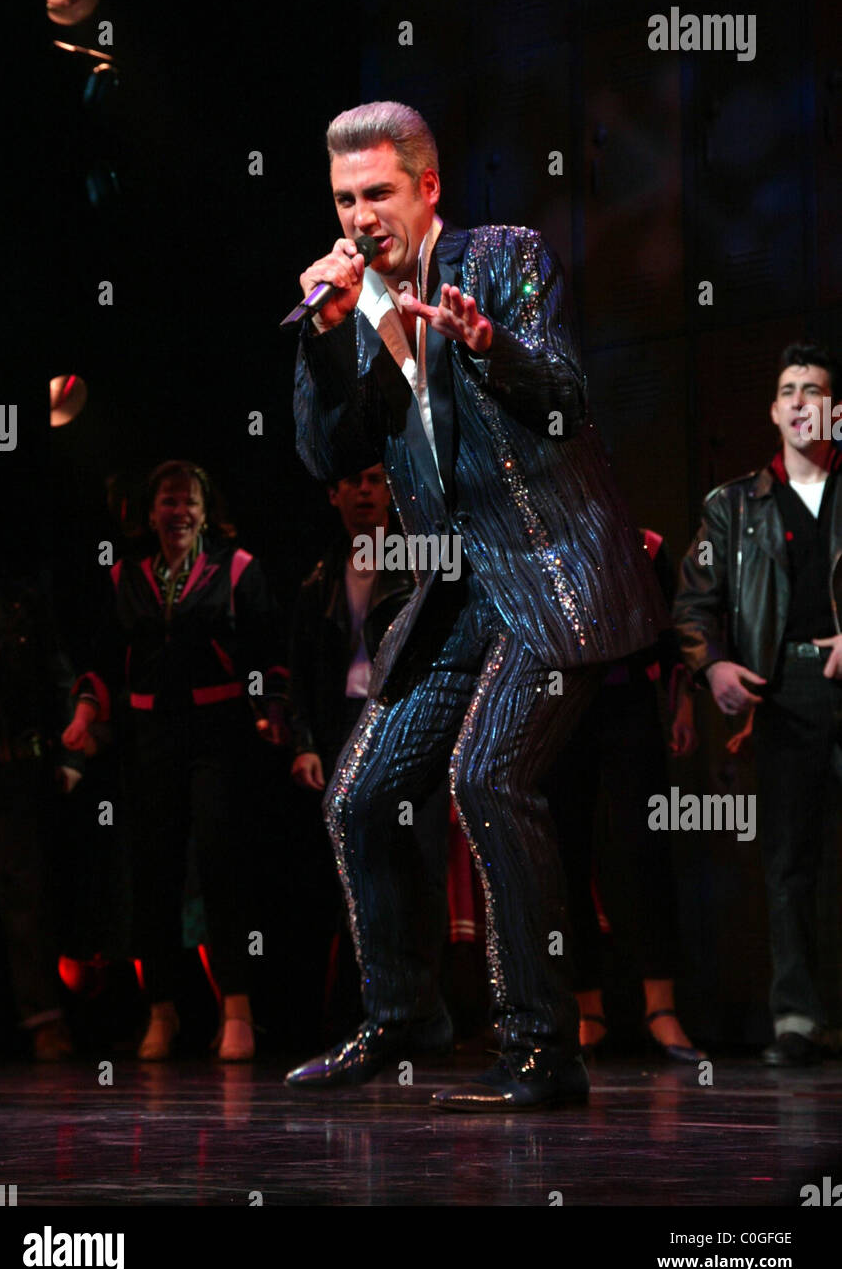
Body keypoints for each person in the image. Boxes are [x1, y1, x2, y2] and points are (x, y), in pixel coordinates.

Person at [288, 100, 666, 1110]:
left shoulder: (501, 256)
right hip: (460, 594)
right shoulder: (360, 314)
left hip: (554, 575)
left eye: (377, 193)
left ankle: (544, 1045)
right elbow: (329, 455)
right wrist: (327, 335)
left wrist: (487, 344)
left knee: (486, 777)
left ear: (426, 188)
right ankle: (401, 1013)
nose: (361, 216)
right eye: (342, 199)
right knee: (359, 798)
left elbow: (563, 402)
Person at [63, 460, 288, 1062]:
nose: (178, 512)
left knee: (219, 863)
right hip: (149, 737)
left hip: (218, 736)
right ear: (151, 512)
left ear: (205, 511)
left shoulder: (236, 569)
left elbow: (267, 651)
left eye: (188, 501)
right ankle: (161, 1011)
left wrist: (271, 710)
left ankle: (235, 1012)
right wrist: (86, 715)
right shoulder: (124, 577)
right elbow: (105, 662)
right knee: (153, 873)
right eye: (167, 501)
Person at [673, 344, 842, 1066]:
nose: (800, 400)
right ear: (773, 411)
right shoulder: (733, 506)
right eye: (787, 390)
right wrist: (710, 666)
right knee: (787, 862)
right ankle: (797, 1020)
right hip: (786, 692)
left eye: (813, 389)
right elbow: (691, 604)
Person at [289, 463, 452, 1042]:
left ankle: (426, 1012)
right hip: (344, 726)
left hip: (409, 722)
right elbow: (303, 673)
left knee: (422, 862)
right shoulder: (319, 577)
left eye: (377, 479)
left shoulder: (421, 561)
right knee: (354, 868)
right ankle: (372, 1012)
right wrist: (306, 744)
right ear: (333, 494)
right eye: (352, 480)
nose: (364, 490)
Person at [544, 529, 704, 1063]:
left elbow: (671, 634)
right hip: (561, 706)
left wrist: (681, 703)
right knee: (566, 858)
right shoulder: (539, 541)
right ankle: (588, 1009)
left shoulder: (647, 545)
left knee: (646, 851)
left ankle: (661, 1008)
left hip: (627, 701)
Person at [0, 483, 82, 1060]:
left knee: (24, 899)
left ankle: (44, 1022)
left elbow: (60, 677)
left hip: (11, 770)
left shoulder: (17, 604)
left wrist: (69, 757)